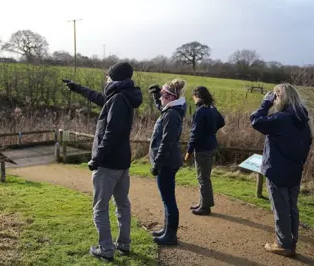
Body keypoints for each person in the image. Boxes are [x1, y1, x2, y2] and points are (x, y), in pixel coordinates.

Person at [64, 62, 143, 262]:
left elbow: (111, 133)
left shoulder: (118, 99)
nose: (106, 79)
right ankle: (123, 245)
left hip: (108, 163)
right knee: (122, 204)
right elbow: (100, 98)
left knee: (100, 207)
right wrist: (77, 87)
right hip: (122, 162)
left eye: (108, 76)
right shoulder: (122, 96)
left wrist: (97, 158)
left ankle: (106, 249)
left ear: (116, 78)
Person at [250, 83, 313, 257]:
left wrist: (265, 103)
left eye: (275, 97)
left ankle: (283, 244)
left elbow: (255, 120)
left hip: (277, 170)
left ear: (280, 97)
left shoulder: (281, 118)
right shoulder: (304, 120)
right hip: (294, 170)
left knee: (280, 209)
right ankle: (291, 243)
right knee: (292, 207)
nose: (274, 100)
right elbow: (307, 145)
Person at [148, 79, 187, 245]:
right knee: (167, 198)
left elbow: (166, 142)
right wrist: (157, 97)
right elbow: (162, 109)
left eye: (164, 95)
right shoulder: (172, 109)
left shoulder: (171, 114)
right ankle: (166, 230)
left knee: (168, 199)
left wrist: (157, 164)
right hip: (168, 161)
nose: (162, 97)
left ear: (171, 98)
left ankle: (170, 236)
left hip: (167, 162)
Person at [184, 86, 225, 216]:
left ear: (198, 96)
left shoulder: (200, 111)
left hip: (202, 148)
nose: (193, 99)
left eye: (194, 96)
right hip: (211, 145)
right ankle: (203, 203)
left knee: (203, 178)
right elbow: (221, 121)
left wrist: (189, 151)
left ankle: (205, 207)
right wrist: (211, 131)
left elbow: (194, 133)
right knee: (204, 177)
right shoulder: (212, 108)